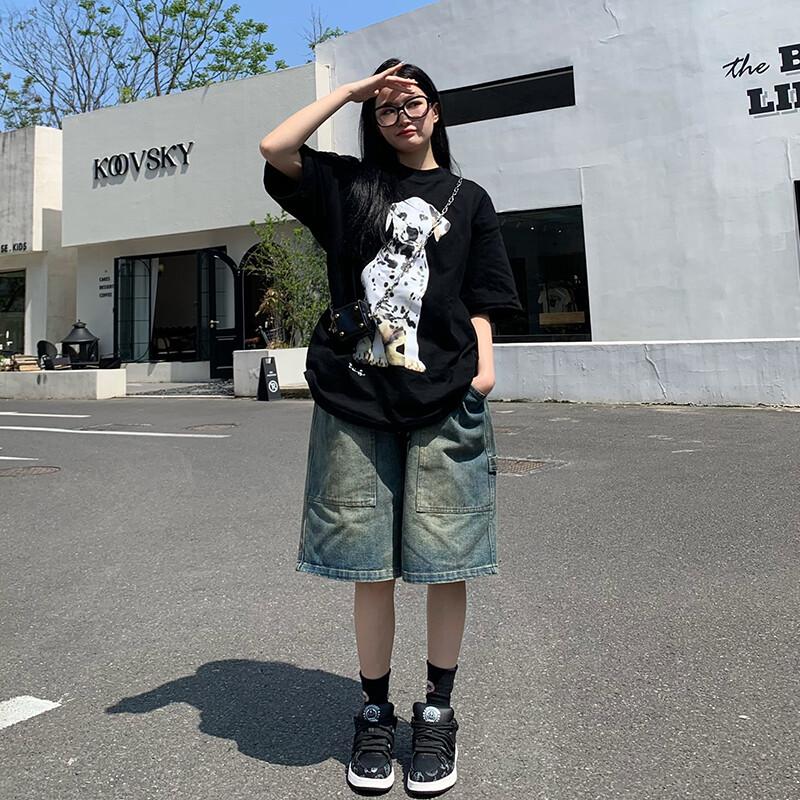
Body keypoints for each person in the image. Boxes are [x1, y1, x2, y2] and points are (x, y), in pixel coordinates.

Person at [259, 58, 523, 795]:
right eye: (387, 107)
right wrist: (350, 91)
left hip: (445, 397)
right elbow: (275, 148)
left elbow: (483, 295)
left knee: (446, 561)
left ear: (436, 111)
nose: (402, 116)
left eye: (413, 103)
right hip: (357, 400)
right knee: (368, 565)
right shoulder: (352, 189)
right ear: (372, 119)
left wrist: (483, 369)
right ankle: (374, 710)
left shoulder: (468, 199)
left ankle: (436, 711)